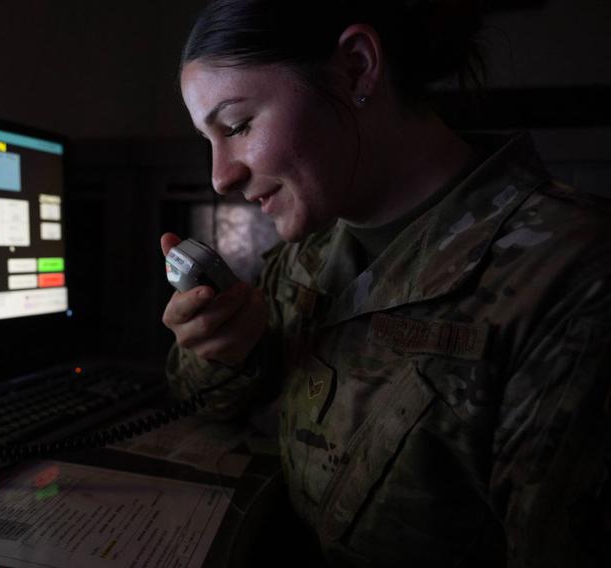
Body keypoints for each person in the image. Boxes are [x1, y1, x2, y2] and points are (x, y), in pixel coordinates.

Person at [161, 1, 611, 566]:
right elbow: (202, 405)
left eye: (238, 126)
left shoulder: (572, 276)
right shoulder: (307, 254)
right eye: (210, 140)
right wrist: (223, 349)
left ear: (356, 67)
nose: (220, 176)